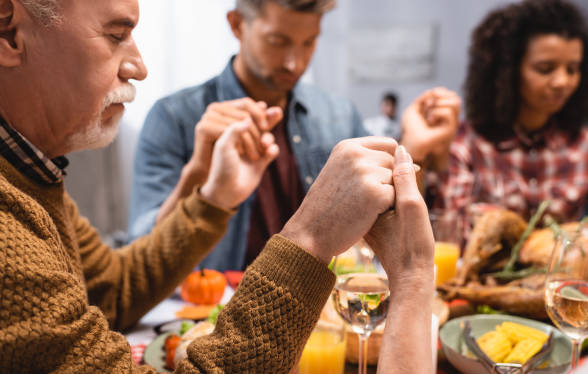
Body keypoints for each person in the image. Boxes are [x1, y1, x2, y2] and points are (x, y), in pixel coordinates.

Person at [0, 0, 437, 374]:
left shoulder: (31, 174)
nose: (139, 67)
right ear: (9, 34)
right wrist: (309, 238)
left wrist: (214, 200)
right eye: (116, 36)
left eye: (308, 43)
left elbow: (110, 290)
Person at [127, 0, 459, 271]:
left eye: (309, 42)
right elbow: (139, 260)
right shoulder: (174, 116)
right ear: (237, 25)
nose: (294, 62)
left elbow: (384, 220)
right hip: (207, 310)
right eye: (278, 41)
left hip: (316, 311)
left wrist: (414, 149)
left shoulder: (338, 114)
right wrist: (199, 174)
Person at [434, 0, 588, 222]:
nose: (562, 82)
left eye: (572, 69)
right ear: (507, 70)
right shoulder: (468, 144)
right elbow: (449, 232)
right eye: (545, 69)